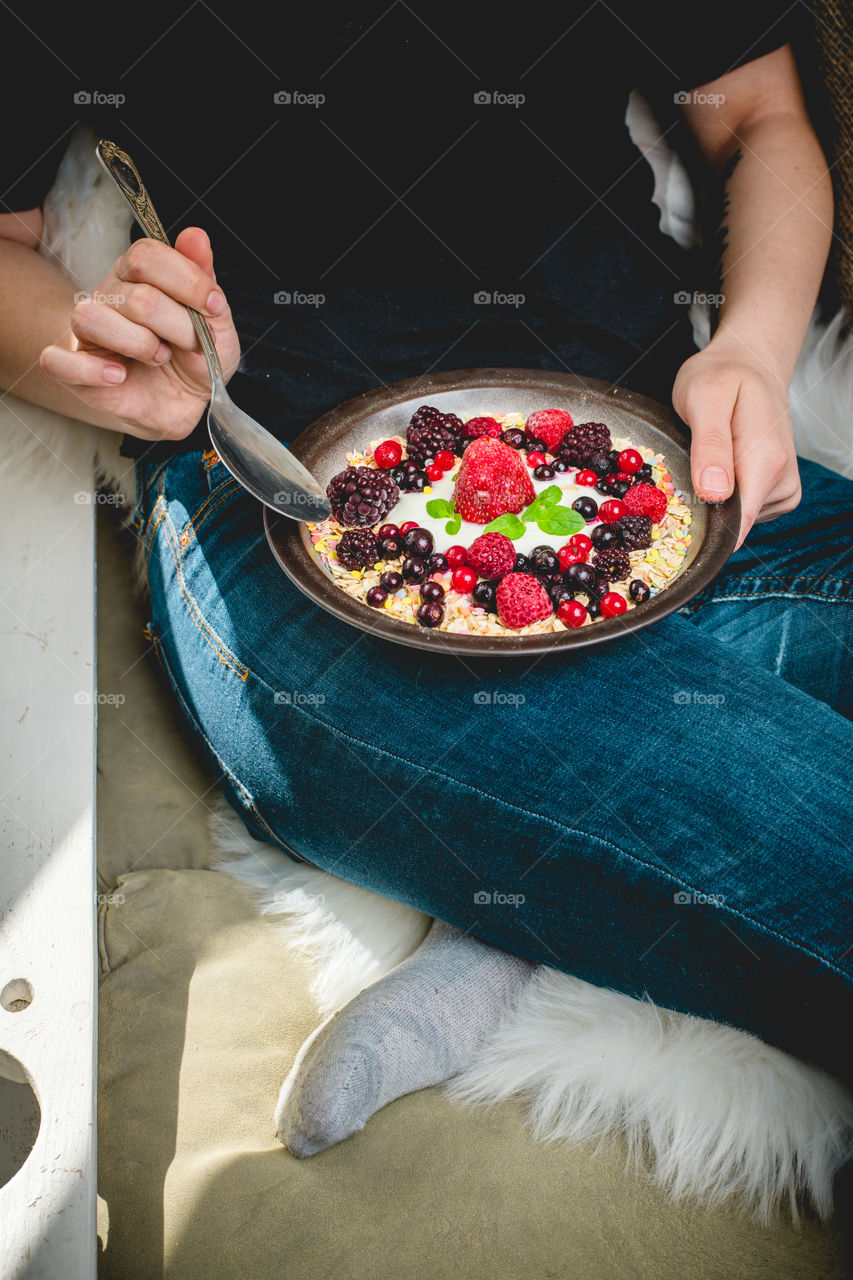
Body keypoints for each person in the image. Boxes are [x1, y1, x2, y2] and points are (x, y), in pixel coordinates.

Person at [2, 2, 850, 1158]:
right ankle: (527, 872)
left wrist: (751, 343)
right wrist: (101, 339)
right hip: (277, 486)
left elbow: (758, 110)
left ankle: (519, 893)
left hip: (645, 454)